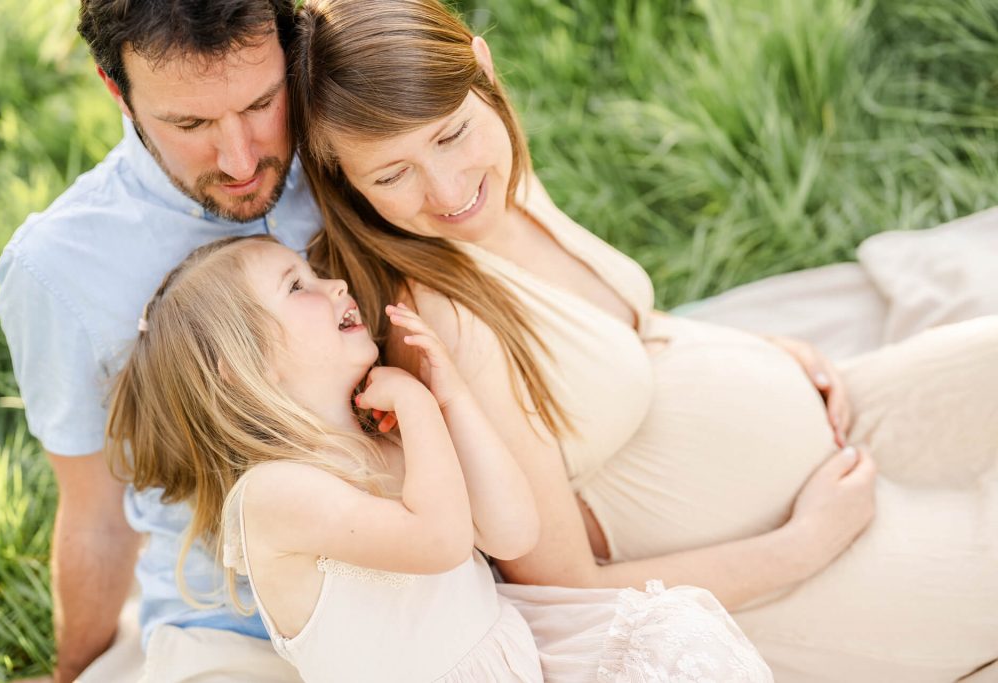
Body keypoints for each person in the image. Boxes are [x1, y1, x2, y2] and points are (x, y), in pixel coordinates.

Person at [291, 0, 998, 679]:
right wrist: (804, 544)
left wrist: (755, 349)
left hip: (825, 446)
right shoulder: (443, 319)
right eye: (391, 173)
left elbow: (617, 323)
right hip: (772, 576)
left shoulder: (502, 184)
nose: (446, 188)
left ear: (485, 70)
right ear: (344, 182)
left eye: (450, 133)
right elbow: (568, 583)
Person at [104, 232, 773, 682]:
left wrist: (450, 395)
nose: (335, 285)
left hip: (517, 657)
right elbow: (442, 539)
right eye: (297, 286)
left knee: (677, 639)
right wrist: (421, 407)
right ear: (238, 367)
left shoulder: (393, 442)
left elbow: (512, 530)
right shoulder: (274, 494)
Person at [0, 1, 320, 679]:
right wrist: (75, 671)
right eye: (190, 123)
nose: (239, 159)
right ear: (117, 90)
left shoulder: (346, 136)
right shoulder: (59, 271)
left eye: (261, 101)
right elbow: (96, 515)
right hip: (236, 632)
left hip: (434, 561)